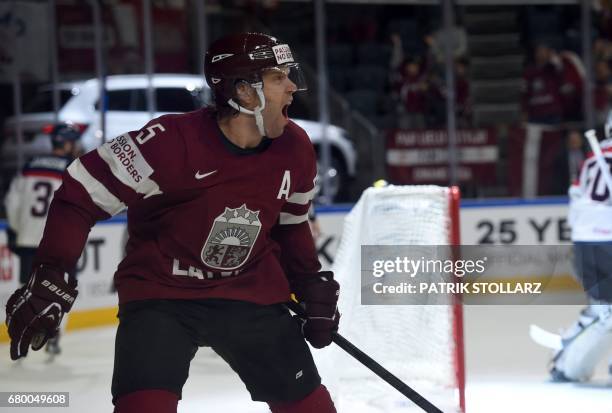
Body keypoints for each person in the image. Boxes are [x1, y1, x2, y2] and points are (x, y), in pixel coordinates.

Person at [4, 33, 340, 413]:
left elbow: (291, 223)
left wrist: (308, 281)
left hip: (250, 292)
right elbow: (80, 192)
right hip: (162, 296)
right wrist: (53, 271)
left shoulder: (295, 147)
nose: (293, 88)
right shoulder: (167, 143)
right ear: (244, 92)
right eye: (279, 78)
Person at [4, 123, 81, 357]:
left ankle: (21, 331)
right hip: (57, 243)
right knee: (60, 291)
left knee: (28, 289)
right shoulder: (71, 170)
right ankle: (52, 339)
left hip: (28, 241)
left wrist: (20, 231)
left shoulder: (28, 167)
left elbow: (11, 203)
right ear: (67, 144)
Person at [550, 111, 612, 382]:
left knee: (604, 311)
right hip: (604, 238)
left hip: (587, 242)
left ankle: (566, 364)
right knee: (606, 311)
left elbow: (576, 198)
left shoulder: (591, 158)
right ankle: (567, 362)